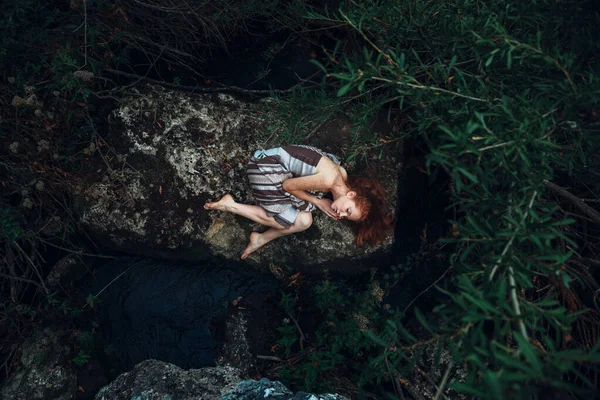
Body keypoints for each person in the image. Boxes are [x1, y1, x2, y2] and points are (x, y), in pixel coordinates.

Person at [204, 145, 392, 259]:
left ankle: (260, 238)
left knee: (304, 221)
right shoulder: (327, 180)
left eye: (345, 217)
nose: (340, 215)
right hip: (264, 167)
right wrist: (317, 202)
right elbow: (288, 185)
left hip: (275, 167)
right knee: (283, 220)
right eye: (347, 211)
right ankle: (231, 205)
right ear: (351, 194)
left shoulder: (342, 176)